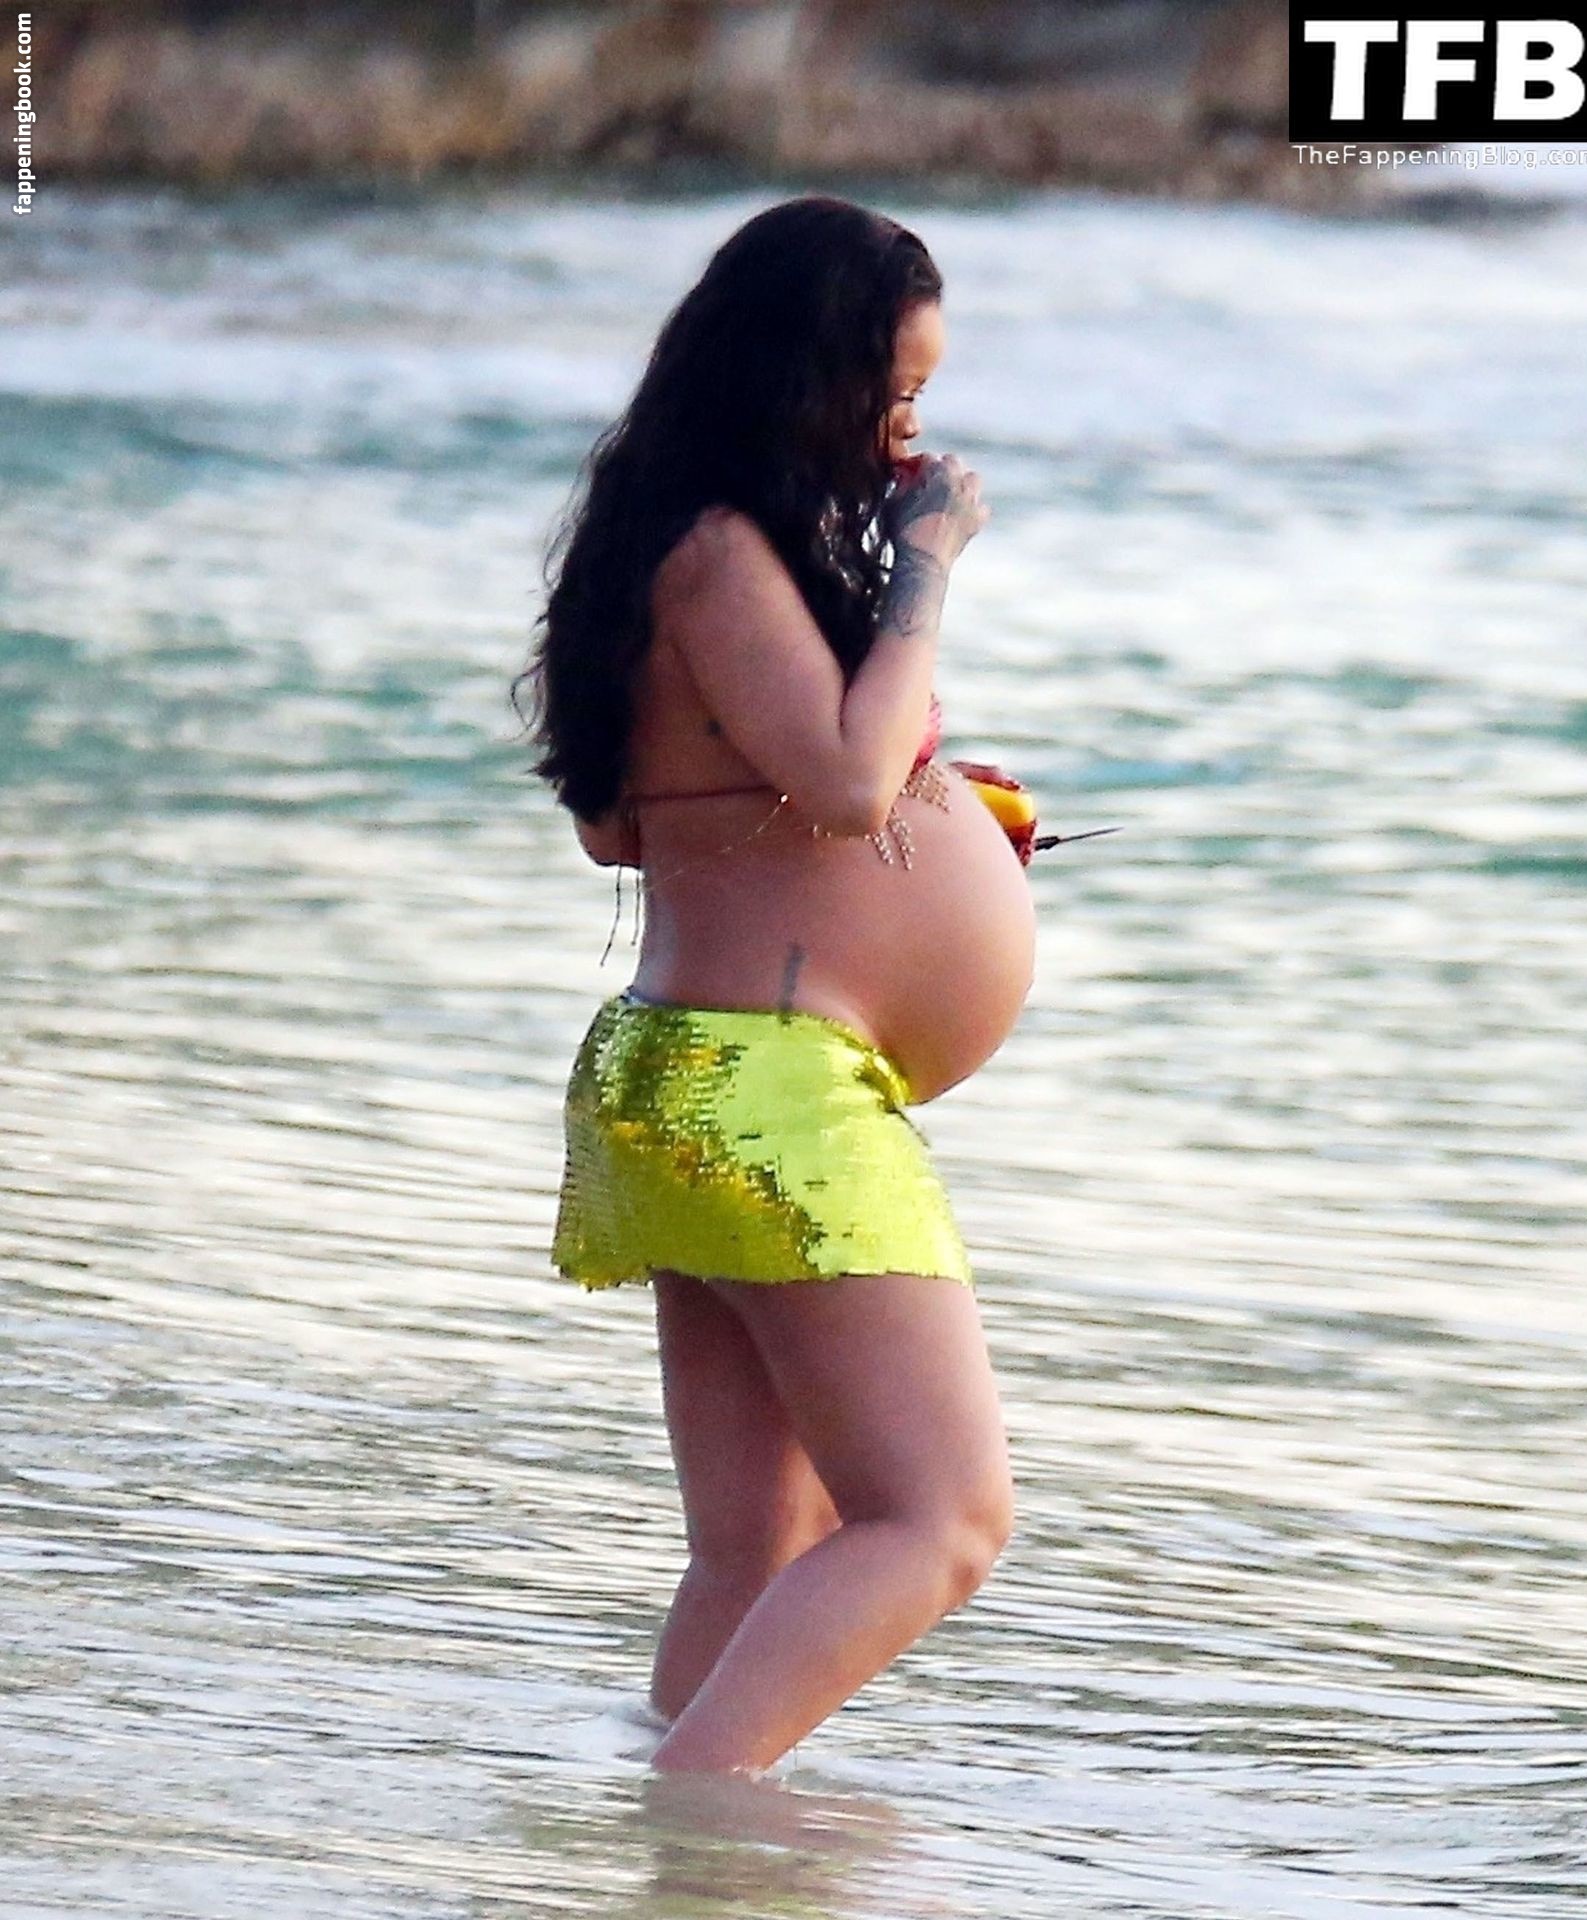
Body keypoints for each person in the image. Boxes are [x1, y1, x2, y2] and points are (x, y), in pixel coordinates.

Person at [512, 195, 1038, 1776]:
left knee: (761, 1548)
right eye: (891, 394)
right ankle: (697, 1813)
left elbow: (633, 826)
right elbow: (850, 780)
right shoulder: (719, 556)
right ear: (805, 380)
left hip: (685, 1076)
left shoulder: (658, 552)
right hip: (771, 1100)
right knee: (944, 1517)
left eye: (922, 401)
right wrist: (927, 565)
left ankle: (663, 1845)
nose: (906, 436)